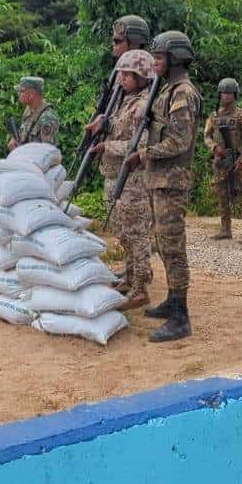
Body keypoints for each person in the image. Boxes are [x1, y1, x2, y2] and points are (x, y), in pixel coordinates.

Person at [123, 30, 202, 343]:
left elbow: (179, 141)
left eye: (159, 57)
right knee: (164, 245)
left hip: (172, 182)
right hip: (160, 180)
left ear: (176, 58)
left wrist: (143, 155)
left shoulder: (182, 93)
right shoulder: (167, 89)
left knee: (173, 247)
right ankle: (172, 300)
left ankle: (181, 316)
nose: (154, 62)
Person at [87, 49, 156, 309]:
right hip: (115, 176)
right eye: (123, 74)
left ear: (143, 76)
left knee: (136, 234)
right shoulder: (124, 101)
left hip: (134, 180)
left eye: (129, 75)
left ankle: (140, 288)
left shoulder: (143, 105)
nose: (123, 79)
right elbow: (116, 130)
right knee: (123, 233)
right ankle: (130, 276)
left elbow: (141, 144)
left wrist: (107, 147)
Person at [203, 77, 242, 244]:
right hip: (221, 161)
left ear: (234, 95)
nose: (225, 96)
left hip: (238, 160)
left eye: (228, 93)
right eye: (223, 93)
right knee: (222, 195)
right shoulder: (214, 116)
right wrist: (214, 148)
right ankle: (225, 229)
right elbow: (206, 136)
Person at [8, 76, 59, 150]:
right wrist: (15, 140)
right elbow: (24, 132)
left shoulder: (47, 118)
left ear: (31, 94)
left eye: (21, 91)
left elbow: (47, 153)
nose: (18, 94)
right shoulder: (29, 110)